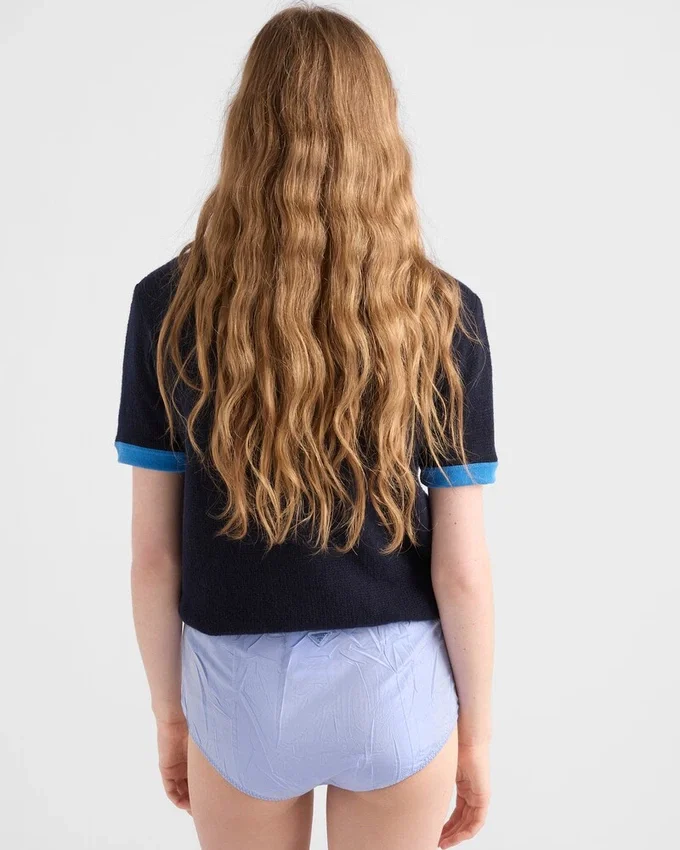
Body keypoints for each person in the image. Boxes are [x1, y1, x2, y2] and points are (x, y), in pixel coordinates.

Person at [114, 5, 498, 849]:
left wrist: (170, 717)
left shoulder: (167, 307)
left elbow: (153, 558)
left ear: (246, 129)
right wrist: (474, 739)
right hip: (394, 686)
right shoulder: (444, 315)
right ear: (381, 134)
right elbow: (462, 572)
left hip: (237, 687)